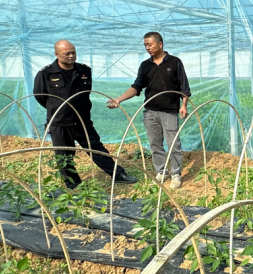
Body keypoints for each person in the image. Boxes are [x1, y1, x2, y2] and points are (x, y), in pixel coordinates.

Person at [33, 40, 138, 189]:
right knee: (64, 154)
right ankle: (74, 184)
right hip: (60, 121)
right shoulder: (46, 73)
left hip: (82, 119)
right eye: (67, 53)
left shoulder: (84, 70)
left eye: (73, 52)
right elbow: (40, 96)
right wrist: (57, 108)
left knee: (95, 147)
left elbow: (86, 93)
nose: (71, 56)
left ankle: (117, 174)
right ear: (56, 54)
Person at [107, 32, 191, 190]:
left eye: (150, 44)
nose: (147, 48)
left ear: (160, 44)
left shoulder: (175, 62)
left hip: (169, 111)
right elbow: (137, 86)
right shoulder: (145, 65)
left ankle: (175, 174)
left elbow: (184, 87)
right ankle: (162, 171)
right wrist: (119, 99)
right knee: (155, 143)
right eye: (145, 45)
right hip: (150, 111)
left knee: (173, 144)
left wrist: (184, 105)